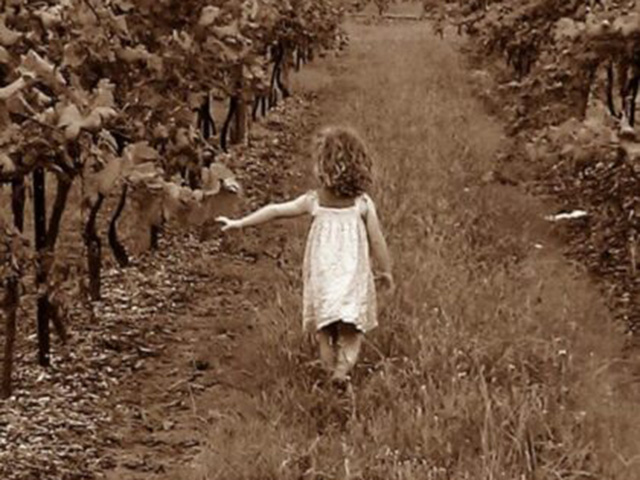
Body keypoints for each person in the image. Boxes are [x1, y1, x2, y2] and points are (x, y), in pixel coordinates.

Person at [216, 126, 394, 384]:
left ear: (322, 166)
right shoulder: (362, 204)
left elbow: (275, 210)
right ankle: (342, 372)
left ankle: (328, 369)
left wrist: (240, 222)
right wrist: (386, 270)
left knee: (325, 328)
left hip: (322, 275)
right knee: (351, 329)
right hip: (351, 276)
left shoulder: (314, 201)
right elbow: (377, 240)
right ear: (360, 164)